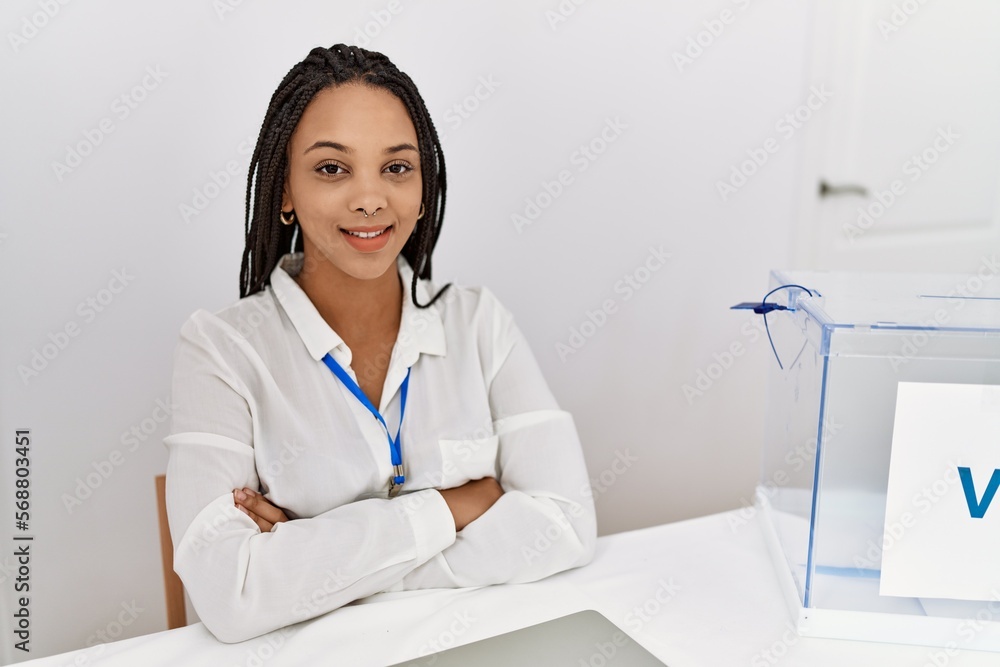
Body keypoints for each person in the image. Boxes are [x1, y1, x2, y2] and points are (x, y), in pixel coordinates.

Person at [163, 43, 596, 644]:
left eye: (396, 167)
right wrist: (455, 506)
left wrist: (314, 558)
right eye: (331, 168)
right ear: (284, 191)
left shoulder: (478, 323)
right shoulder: (221, 351)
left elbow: (567, 526)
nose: (370, 198)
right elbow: (231, 594)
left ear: (423, 186)